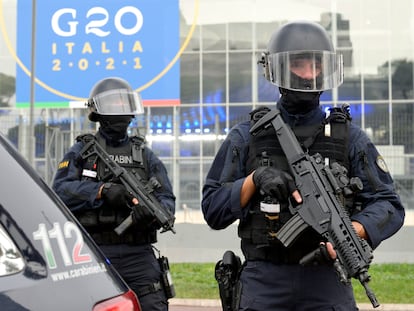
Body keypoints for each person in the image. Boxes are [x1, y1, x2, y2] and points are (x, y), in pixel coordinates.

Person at [202, 21, 405, 310]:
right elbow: (212, 209)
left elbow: (389, 205)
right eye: (299, 65)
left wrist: (351, 231)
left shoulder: (349, 138)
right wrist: (254, 180)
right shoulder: (248, 136)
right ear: (279, 70)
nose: (310, 75)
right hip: (264, 280)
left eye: (316, 65)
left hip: (328, 280)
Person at [53, 77, 176, 311]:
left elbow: (167, 201)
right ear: (97, 111)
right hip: (94, 253)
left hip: (139, 254)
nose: (120, 110)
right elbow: (59, 191)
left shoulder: (146, 156)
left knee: (153, 305)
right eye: (113, 104)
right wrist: (101, 191)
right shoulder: (81, 152)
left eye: (124, 104)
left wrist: (149, 215)